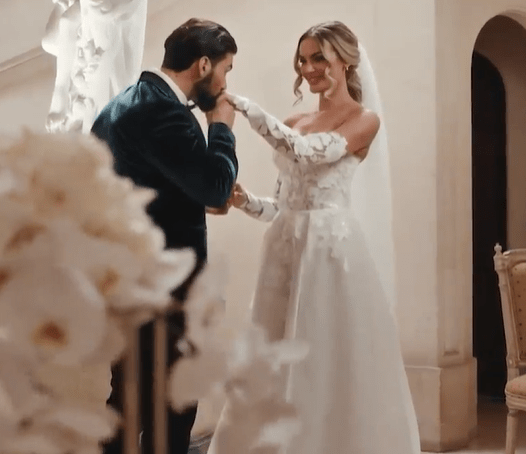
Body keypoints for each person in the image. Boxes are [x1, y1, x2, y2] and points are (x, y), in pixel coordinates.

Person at [207, 21, 421, 453]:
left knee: (325, 357)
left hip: (330, 251)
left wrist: (245, 109)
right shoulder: (293, 120)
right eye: (303, 60)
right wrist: (247, 200)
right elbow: (284, 206)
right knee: (272, 357)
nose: (308, 68)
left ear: (344, 60)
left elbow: (311, 152)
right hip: (285, 249)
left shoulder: (364, 120)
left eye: (319, 58)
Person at [90, 18, 238, 454]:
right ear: (204, 64)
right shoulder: (163, 113)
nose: (227, 81)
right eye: (227, 69)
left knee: (126, 403)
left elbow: (160, 190)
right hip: (165, 290)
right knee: (173, 408)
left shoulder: (121, 106)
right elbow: (214, 185)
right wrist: (222, 127)